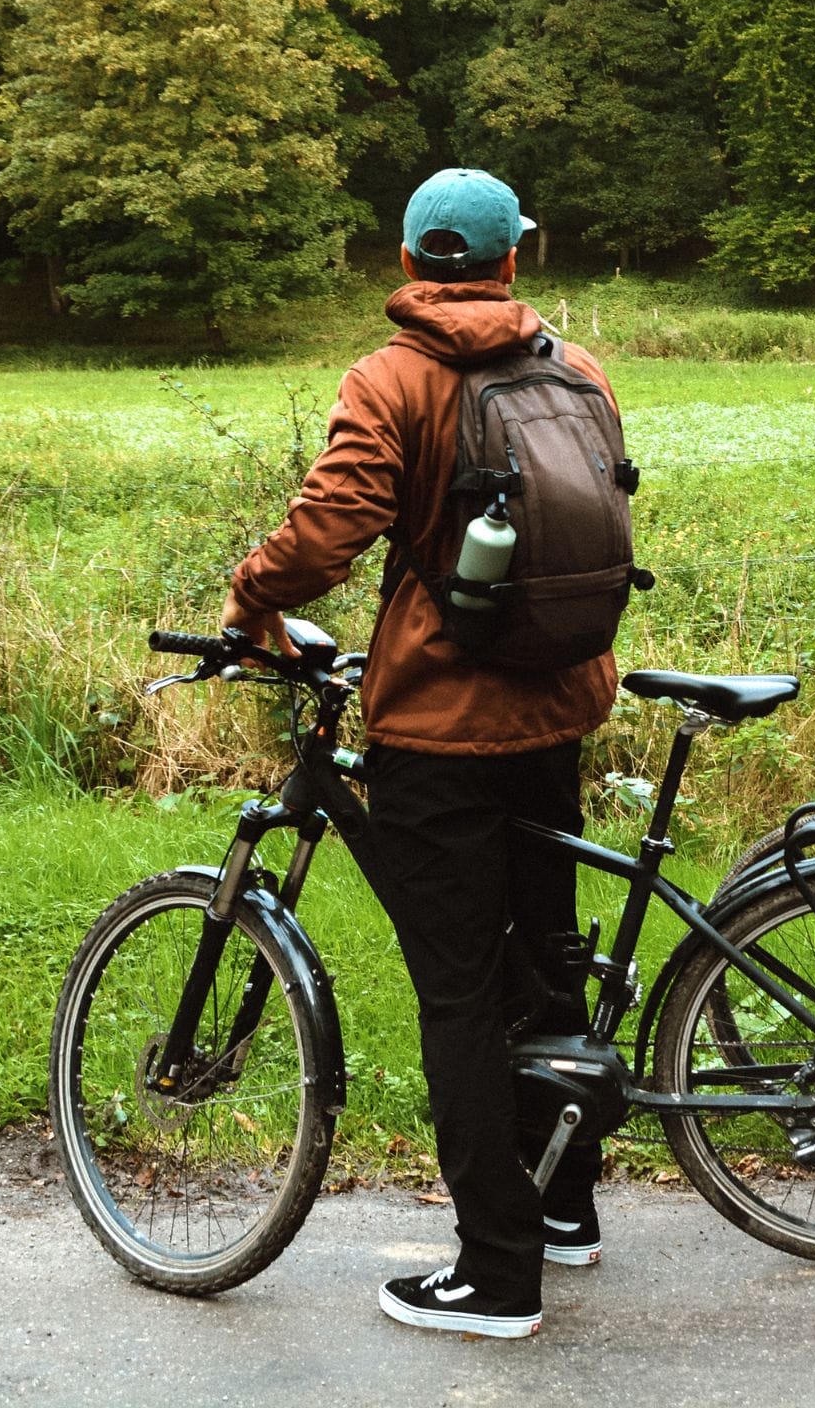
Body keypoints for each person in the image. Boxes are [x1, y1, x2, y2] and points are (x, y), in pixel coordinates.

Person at [223, 168, 616, 1339]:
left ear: (409, 260)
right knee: (548, 961)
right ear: (509, 262)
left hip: (441, 728)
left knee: (459, 997)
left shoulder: (391, 379)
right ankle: (564, 1210)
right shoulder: (575, 368)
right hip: (558, 708)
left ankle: (494, 1278)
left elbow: (334, 525)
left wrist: (253, 597)